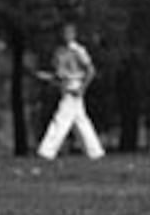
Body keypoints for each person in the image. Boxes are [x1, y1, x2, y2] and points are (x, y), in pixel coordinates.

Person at [35, 23, 106, 162]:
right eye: (64, 33)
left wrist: (82, 88)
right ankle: (95, 152)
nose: (65, 36)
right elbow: (59, 75)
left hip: (74, 87)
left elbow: (90, 71)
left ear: (74, 34)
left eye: (69, 33)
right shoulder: (60, 52)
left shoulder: (79, 51)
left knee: (61, 119)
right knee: (81, 122)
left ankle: (46, 152)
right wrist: (46, 77)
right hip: (65, 86)